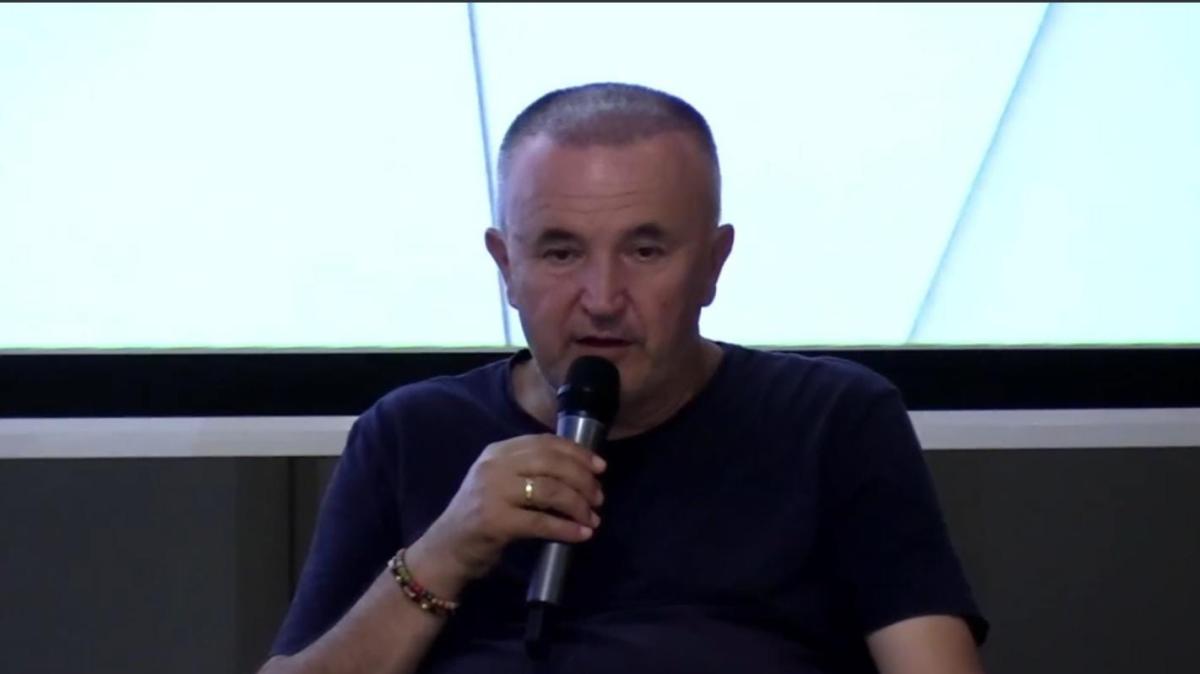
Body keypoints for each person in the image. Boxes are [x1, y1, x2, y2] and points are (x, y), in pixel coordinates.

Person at [259, 82, 989, 674]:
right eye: (561, 253)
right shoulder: (412, 432)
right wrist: (444, 553)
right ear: (506, 266)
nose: (603, 298)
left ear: (713, 264)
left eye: (645, 252)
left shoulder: (830, 419)